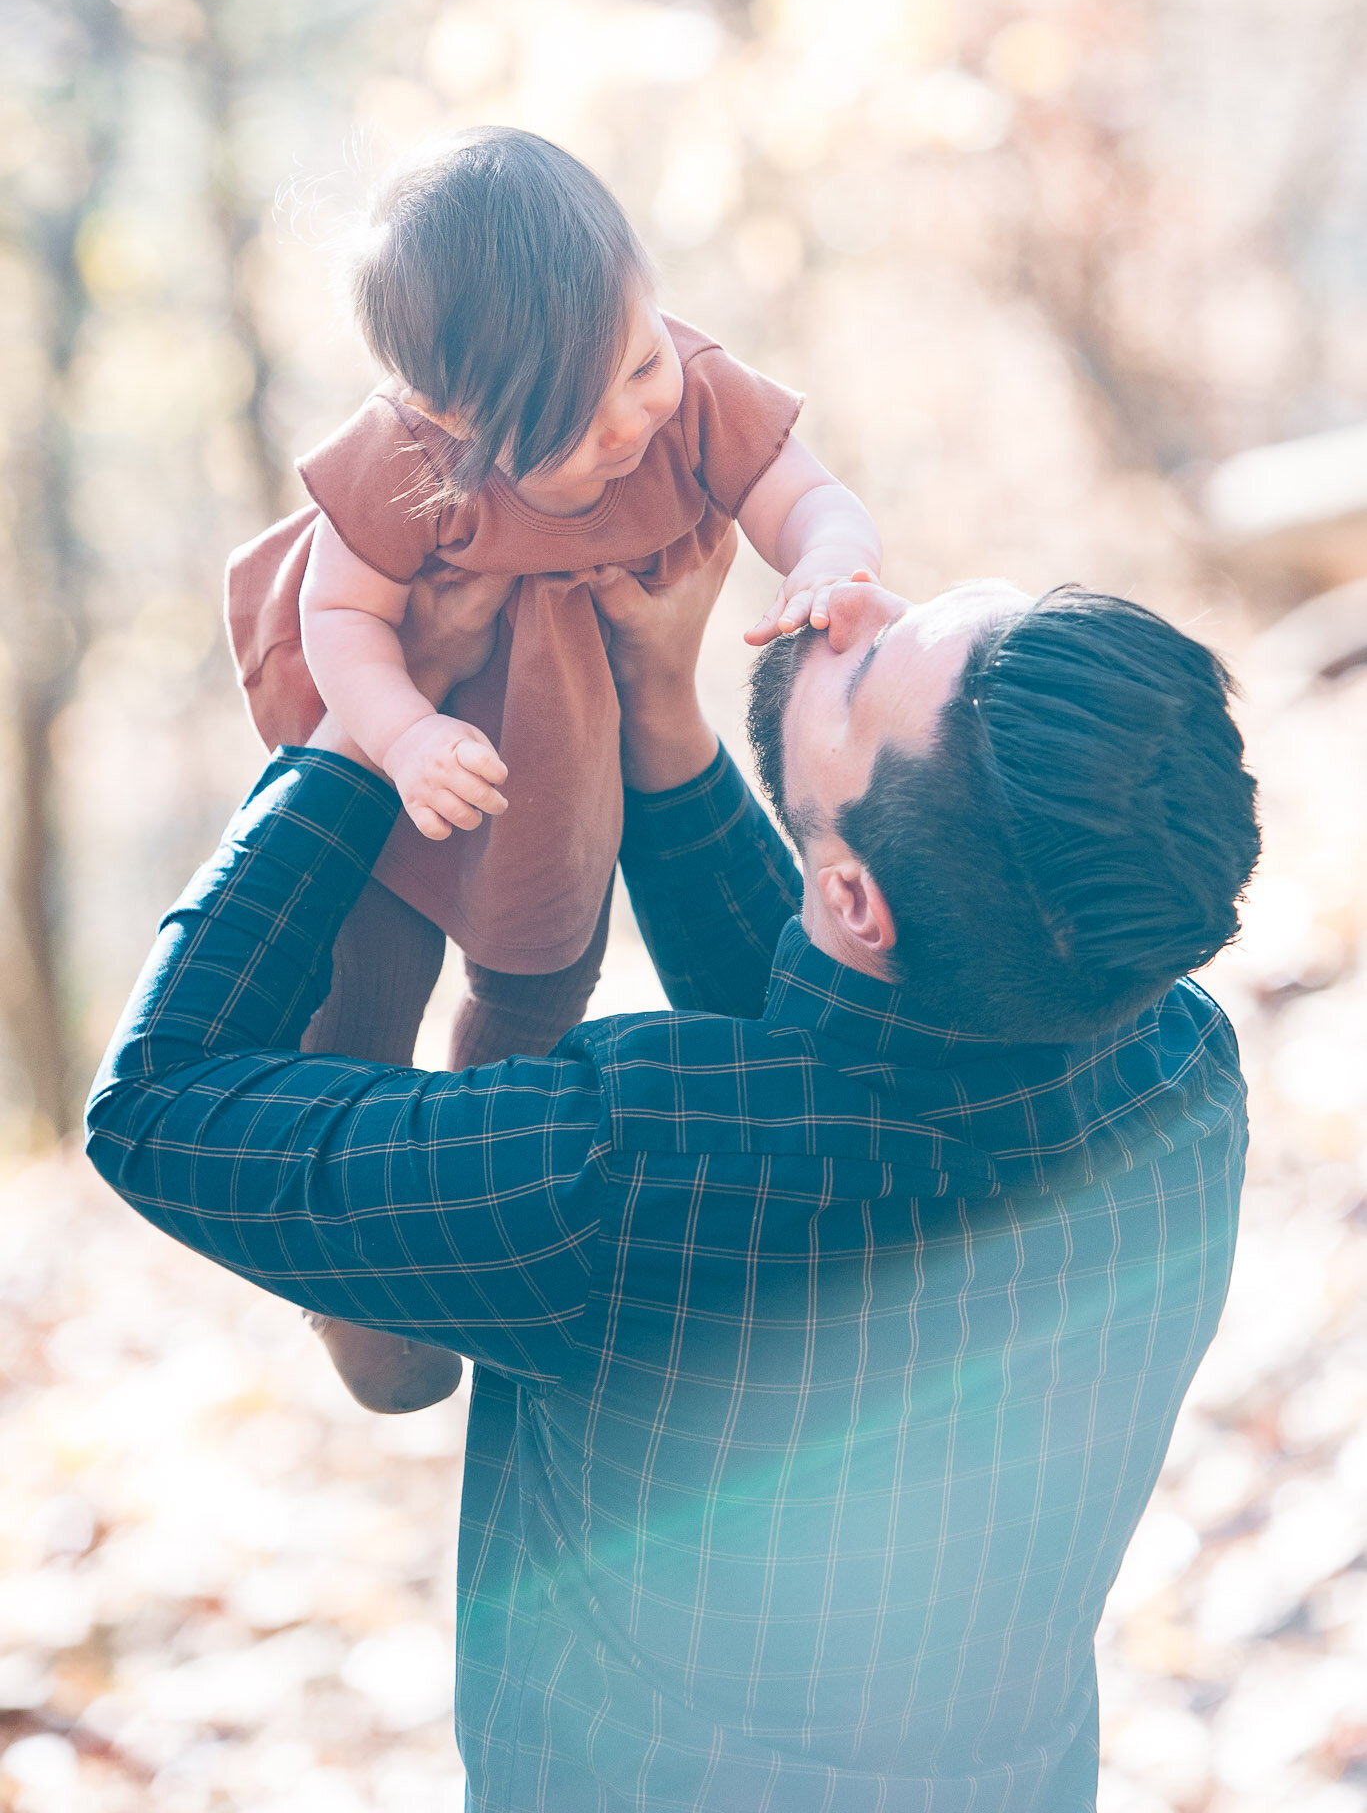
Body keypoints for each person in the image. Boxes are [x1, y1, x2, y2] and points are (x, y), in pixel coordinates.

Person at [87, 542, 1260, 1812]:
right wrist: (661, 720)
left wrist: (361, 729)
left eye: (864, 666)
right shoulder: (1177, 1078)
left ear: (857, 899)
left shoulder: (617, 1168)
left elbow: (157, 1104)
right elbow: (832, 1069)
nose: (853, 597)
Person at [225, 124, 880, 1411]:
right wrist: (403, 734)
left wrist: (826, 559)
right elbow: (342, 617)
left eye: (643, 356)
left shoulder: (681, 380)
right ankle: (346, 1272)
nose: (645, 405)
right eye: (592, 412)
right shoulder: (402, 455)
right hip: (404, 754)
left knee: (538, 973)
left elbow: (808, 494)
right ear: (455, 420)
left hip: (551, 758)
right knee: (357, 992)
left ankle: (461, 1219)